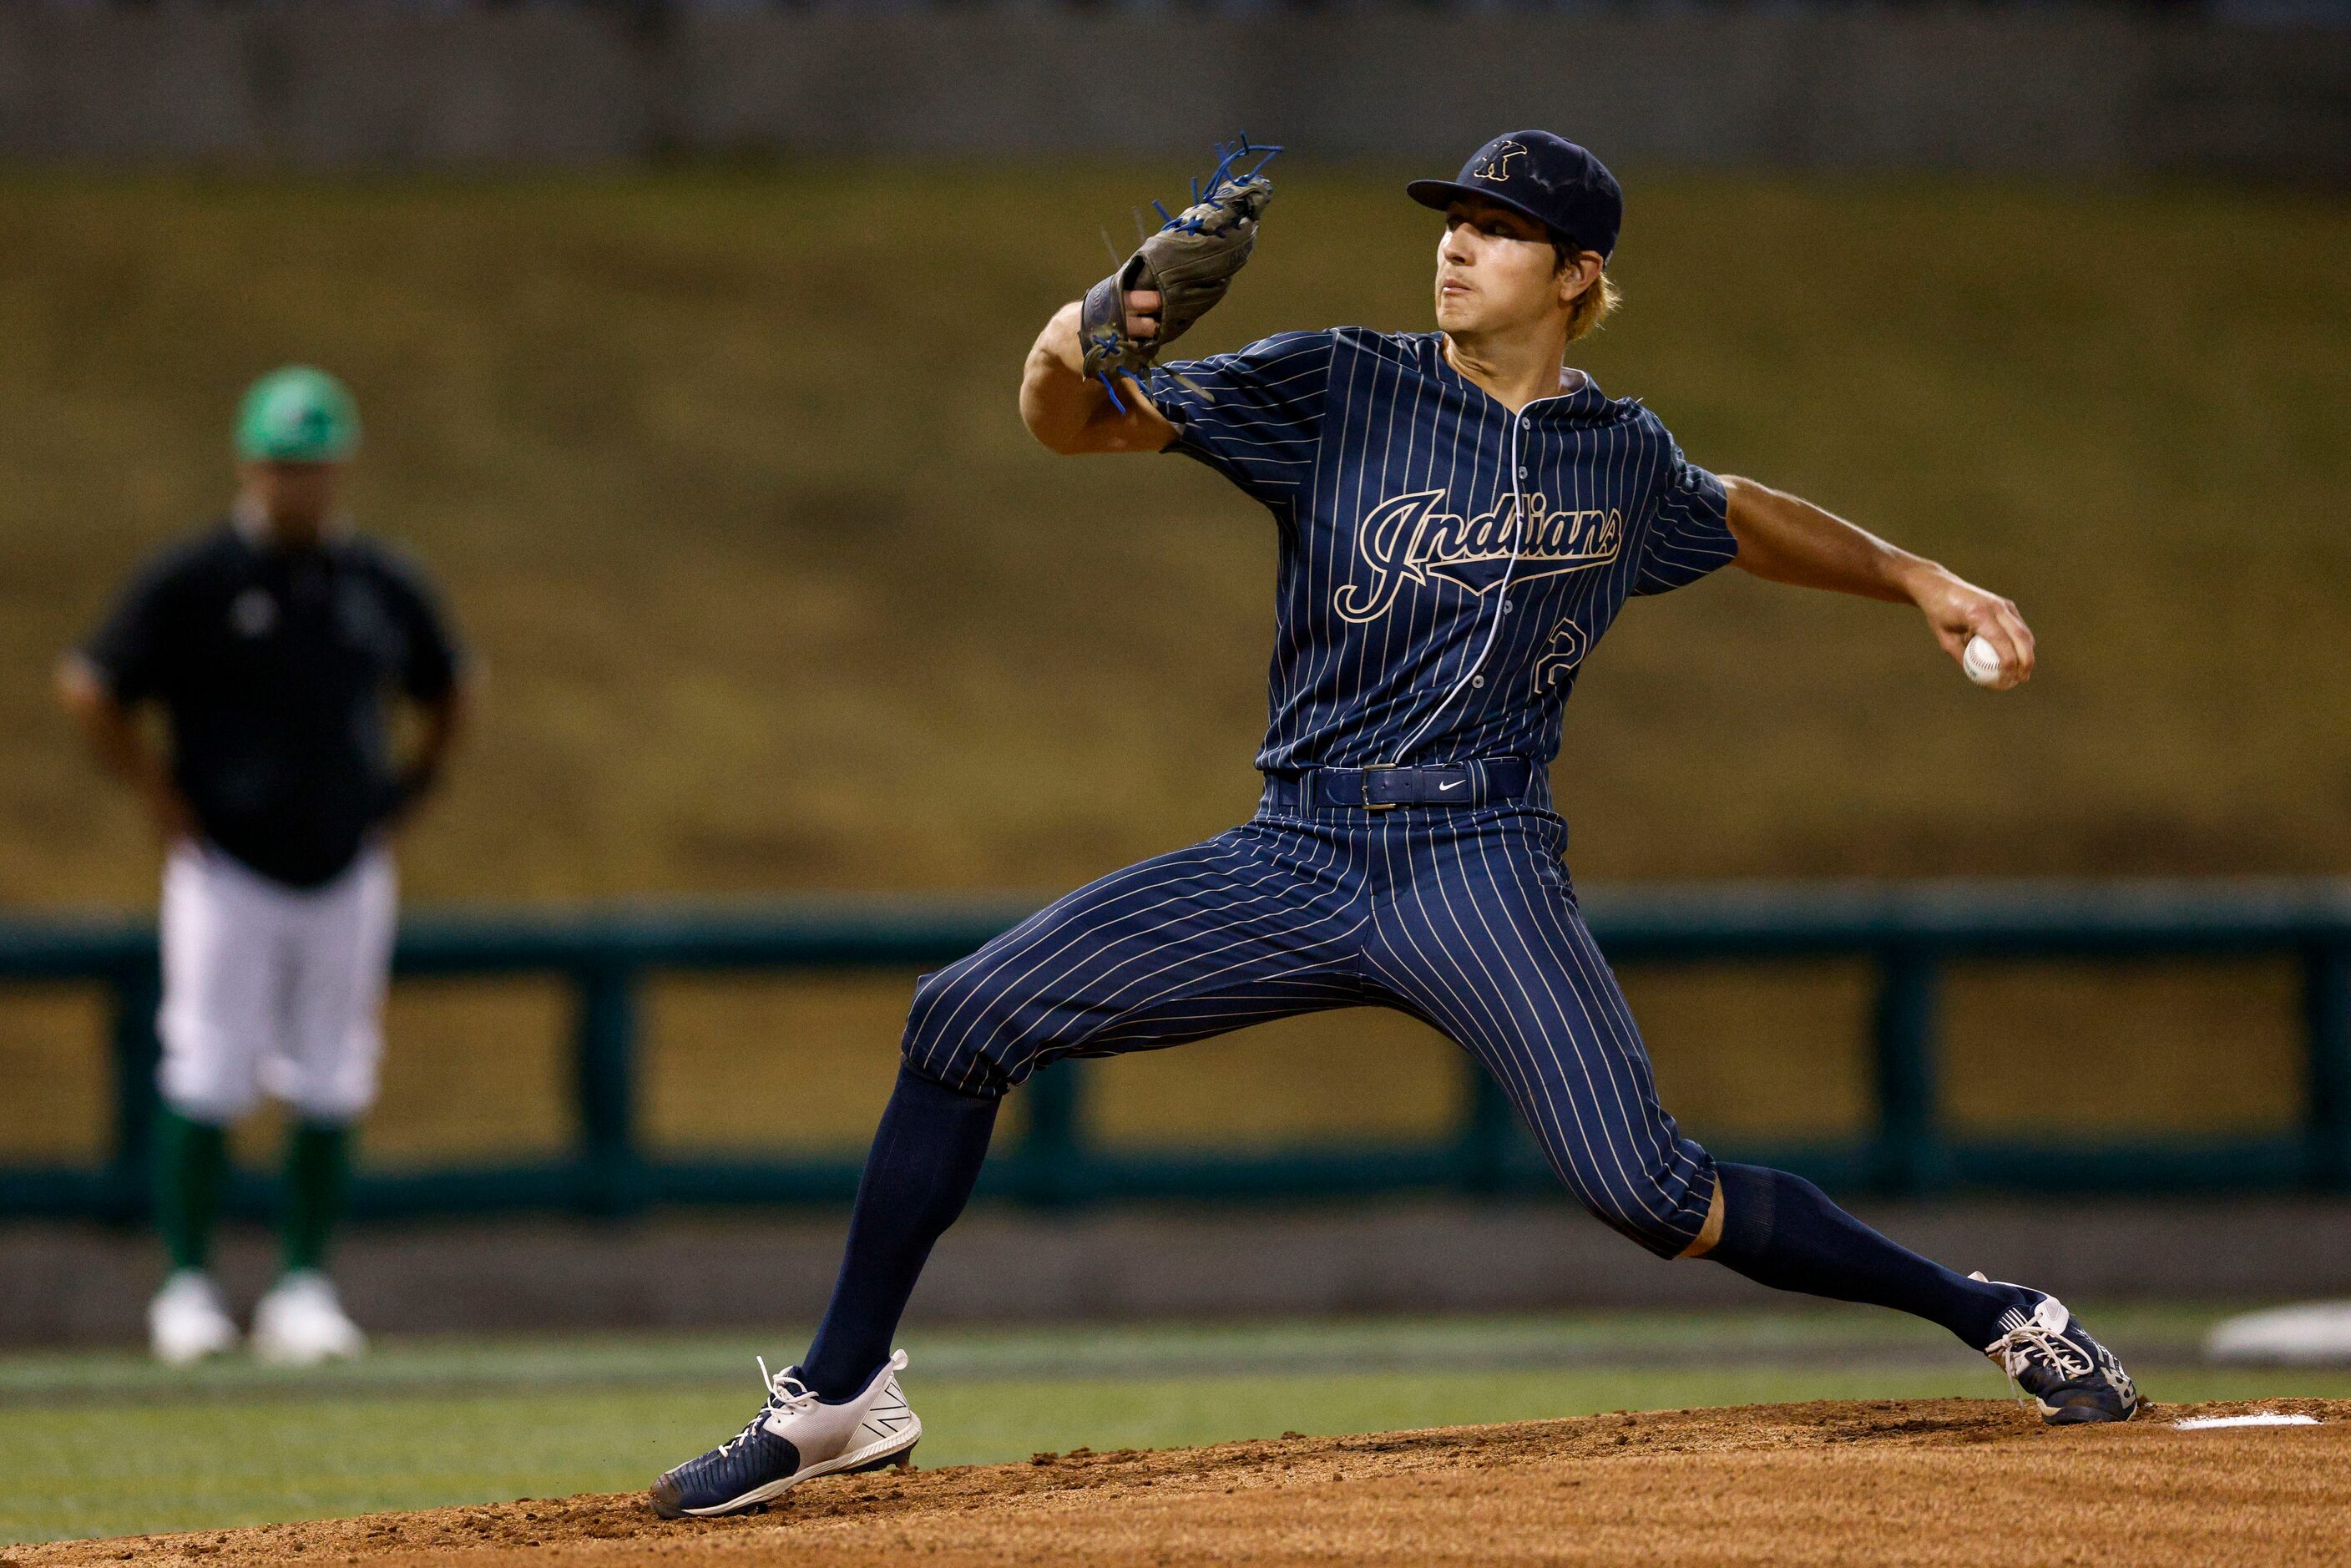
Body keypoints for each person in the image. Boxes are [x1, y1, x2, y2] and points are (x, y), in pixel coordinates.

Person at [650, 130, 2136, 1519]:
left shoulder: (1616, 455)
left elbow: (1734, 512)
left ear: (1577, 278)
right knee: (961, 1015)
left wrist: (1921, 578)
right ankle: (842, 1394)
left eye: (1503, 231)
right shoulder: (1339, 385)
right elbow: (1075, 425)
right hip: (1297, 848)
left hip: (1476, 861)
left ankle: (1998, 1310)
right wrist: (1099, 314)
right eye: (1455, 223)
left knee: (1651, 1191)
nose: (1460, 247)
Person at [58, 367, 470, 1366]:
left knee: (333, 1069)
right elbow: (92, 684)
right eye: (285, 466)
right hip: (226, 865)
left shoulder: (377, 580)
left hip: (344, 862)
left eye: (316, 465)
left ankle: (302, 1285)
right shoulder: (197, 579)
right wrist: (158, 795)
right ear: (251, 466)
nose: (301, 485)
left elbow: (449, 683)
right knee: (205, 1062)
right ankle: (187, 1285)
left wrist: (410, 793)